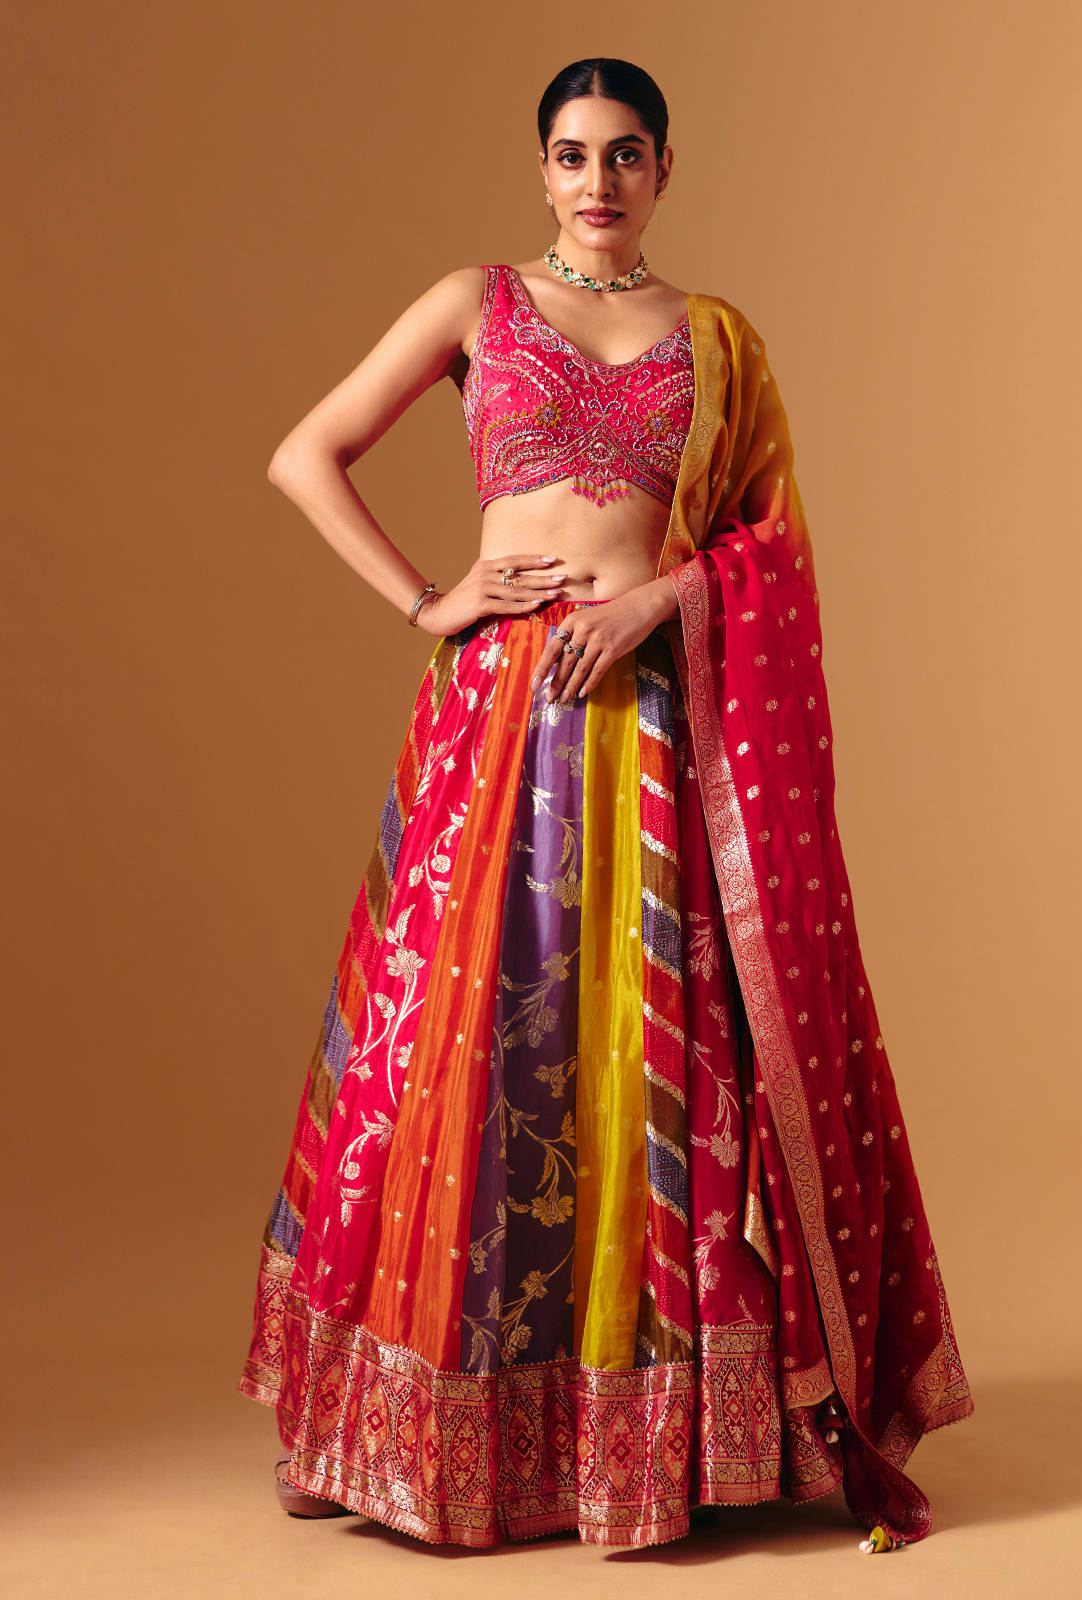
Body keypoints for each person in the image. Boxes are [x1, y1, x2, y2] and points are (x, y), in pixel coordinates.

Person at [240, 57, 972, 1552]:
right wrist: (431, 599)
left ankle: (646, 1442)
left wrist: (660, 601)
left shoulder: (717, 340)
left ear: (665, 167)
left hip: (651, 728)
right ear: (541, 167)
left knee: (646, 1058)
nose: (597, 181)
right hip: (497, 720)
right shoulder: (476, 303)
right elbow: (302, 454)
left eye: (625, 153)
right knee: (458, 1052)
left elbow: (771, 545)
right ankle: (423, 1429)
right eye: (573, 154)